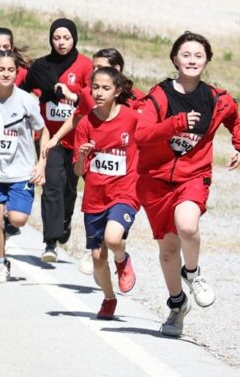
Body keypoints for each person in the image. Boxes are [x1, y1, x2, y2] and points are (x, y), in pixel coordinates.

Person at [136, 32, 240, 338]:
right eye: (185, 55)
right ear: (175, 59)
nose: (192, 60)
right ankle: (177, 305)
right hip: (155, 181)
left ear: (207, 61)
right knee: (168, 251)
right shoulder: (159, 96)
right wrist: (176, 123)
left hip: (192, 175)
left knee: (187, 226)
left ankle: (194, 273)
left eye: (198, 56)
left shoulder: (215, 98)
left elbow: (233, 115)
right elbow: (141, 136)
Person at [22, 18, 92, 263]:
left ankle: (63, 223)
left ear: (74, 39)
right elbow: (23, 88)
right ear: (50, 39)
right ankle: (50, 243)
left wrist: (71, 95)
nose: (61, 43)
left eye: (66, 38)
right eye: (56, 38)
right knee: (51, 185)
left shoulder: (85, 66)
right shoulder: (41, 66)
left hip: (77, 138)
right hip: (50, 139)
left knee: (69, 189)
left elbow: (91, 99)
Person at [73, 67, 140, 320]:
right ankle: (109, 299)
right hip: (95, 197)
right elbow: (80, 171)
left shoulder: (132, 119)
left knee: (113, 239)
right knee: (97, 257)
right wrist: (82, 155)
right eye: (96, 88)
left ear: (118, 91)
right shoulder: (86, 123)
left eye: (106, 88)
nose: (99, 93)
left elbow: (153, 137)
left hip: (125, 192)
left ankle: (122, 259)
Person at [0, 50, 47, 283]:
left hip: (21, 170)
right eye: (1, 70)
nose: (6, 74)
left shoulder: (26, 100)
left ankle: (3, 230)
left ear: (17, 73)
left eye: (10, 70)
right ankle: (1, 263)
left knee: (18, 219)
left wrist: (41, 164)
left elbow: (44, 129)